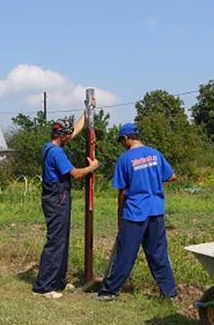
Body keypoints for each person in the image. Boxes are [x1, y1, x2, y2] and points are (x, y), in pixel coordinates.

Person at [96, 123, 178, 301]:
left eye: (121, 141)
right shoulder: (155, 154)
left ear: (126, 138)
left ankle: (109, 291)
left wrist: (119, 216)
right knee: (158, 253)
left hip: (134, 213)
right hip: (156, 211)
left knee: (126, 253)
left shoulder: (125, 159)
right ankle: (170, 293)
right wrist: (153, 180)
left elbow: (121, 192)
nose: (121, 144)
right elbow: (171, 176)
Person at [32, 111, 100, 299]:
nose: (70, 137)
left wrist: (87, 112)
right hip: (57, 199)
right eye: (68, 135)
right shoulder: (56, 153)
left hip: (54, 197)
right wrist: (92, 168)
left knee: (62, 240)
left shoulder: (49, 146)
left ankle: (57, 282)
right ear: (61, 136)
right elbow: (76, 174)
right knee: (56, 242)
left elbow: (75, 131)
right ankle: (44, 287)